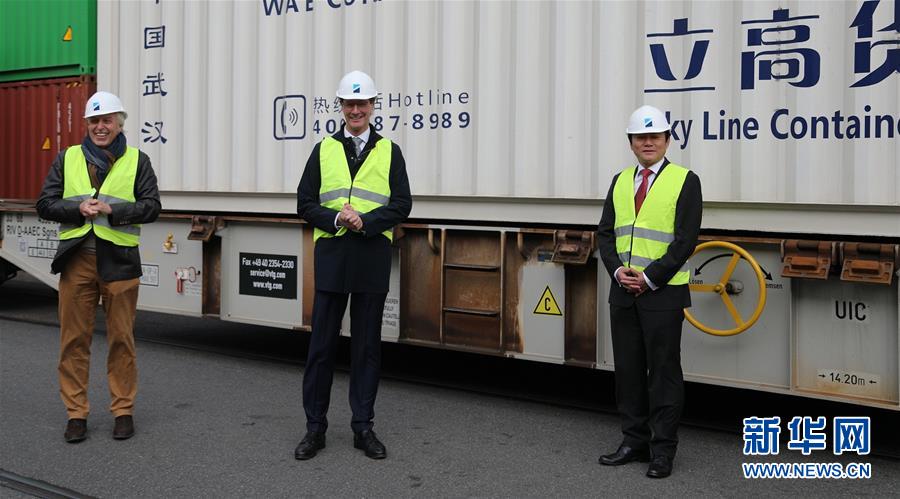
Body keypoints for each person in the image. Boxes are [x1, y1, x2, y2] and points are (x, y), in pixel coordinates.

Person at [294, 70, 412, 460]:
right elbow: (304, 203)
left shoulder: (390, 151)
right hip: (332, 258)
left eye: (363, 103)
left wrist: (367, 222)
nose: (356, 110)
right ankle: (315, 429)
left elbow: (402, 205)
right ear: (341, 107)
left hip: (370, 258)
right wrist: (335, 220)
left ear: (373, 106)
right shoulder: (323, 149)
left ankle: (363, 428)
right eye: (350, 103)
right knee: (321, 348)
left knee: (366, 350)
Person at [36, 91, 161, 443]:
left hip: (120, 263)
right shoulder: (68, 158)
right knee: (73, 341)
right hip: (77, 261)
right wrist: (78, 209)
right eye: (94, 120)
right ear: (87, 124)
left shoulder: (139, 160)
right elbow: (44, 204)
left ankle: (122, 411)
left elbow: (152, 207)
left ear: (120, 123)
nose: (100, 127)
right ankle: (76, 414)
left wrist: (112, 211)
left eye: (107, 120)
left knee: (122, 340)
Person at [595, 105, 702, 478]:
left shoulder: (686, 180)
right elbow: (605, 234)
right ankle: (634, 442)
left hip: (662, 293)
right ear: (631, 143)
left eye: (655, 136)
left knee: (664, 373)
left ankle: (662, 452)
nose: (648, 143)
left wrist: (650, 277)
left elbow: (685, 241)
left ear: (667, 140)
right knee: (627, 372)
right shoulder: (620, 180)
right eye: (641, 137)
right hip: (623, 291)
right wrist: (617, 271)